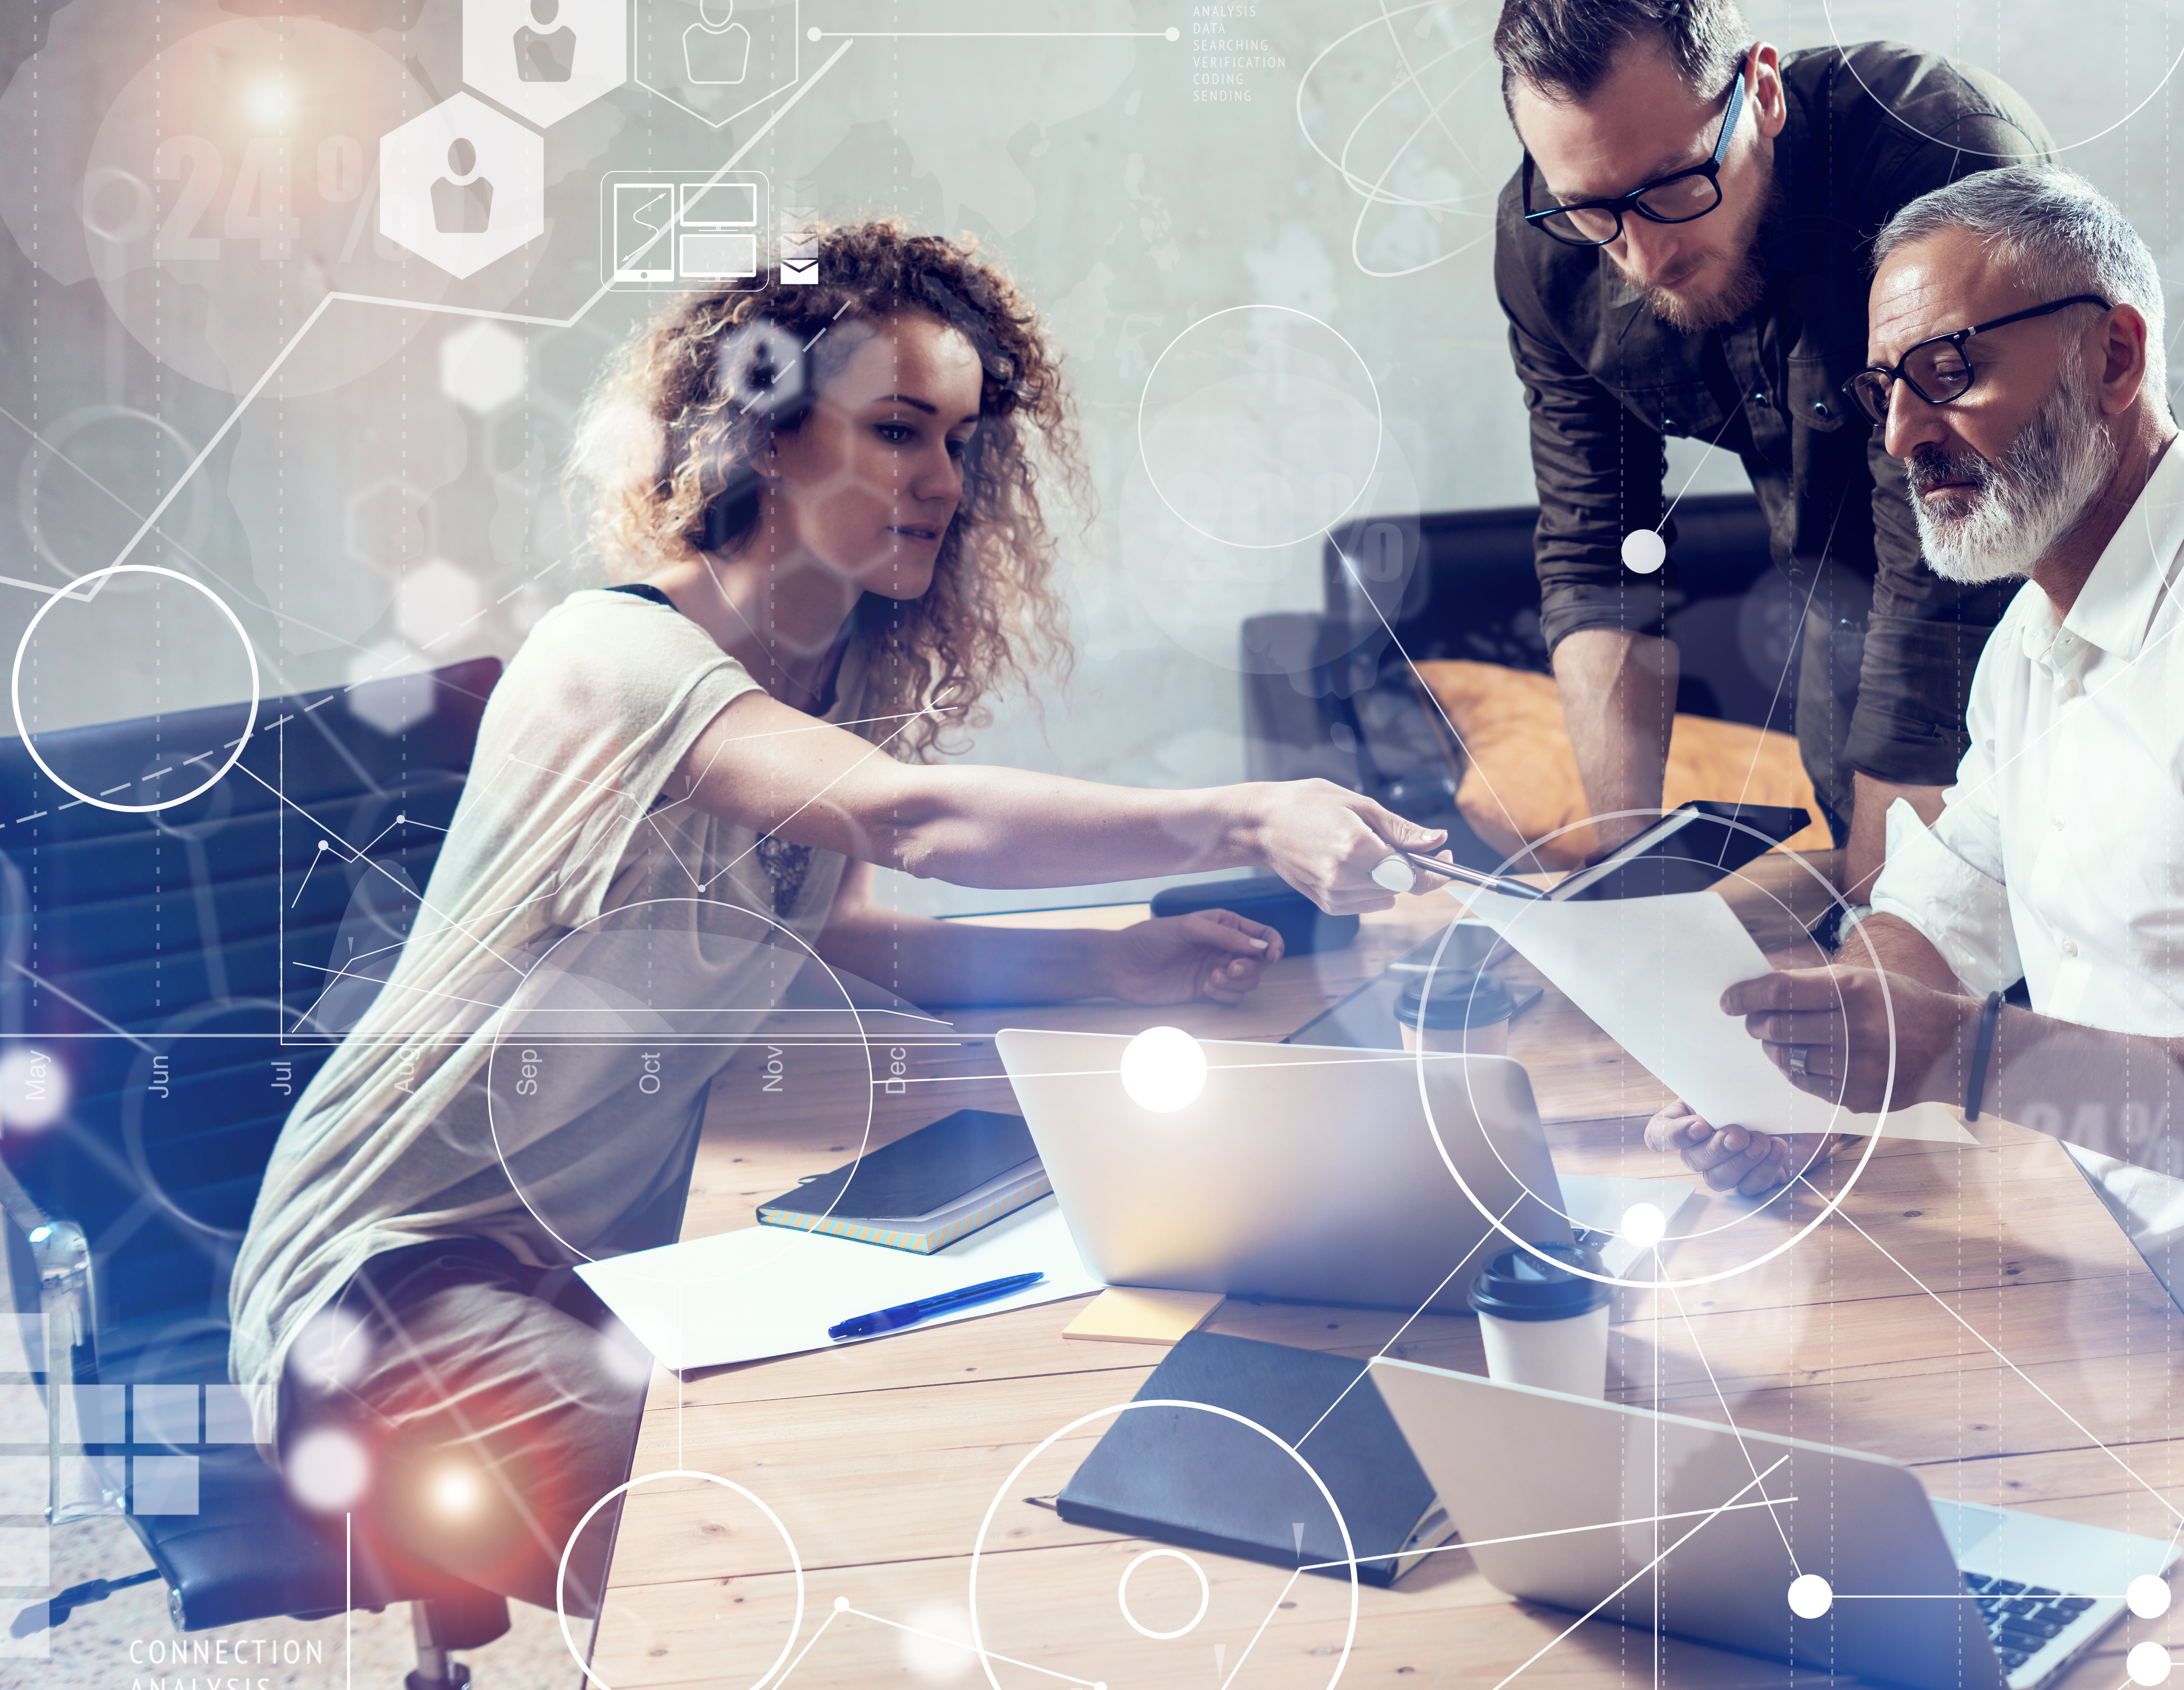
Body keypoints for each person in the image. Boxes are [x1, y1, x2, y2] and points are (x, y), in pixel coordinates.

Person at [230, 220, 1453, 1613]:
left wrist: (1105, 955)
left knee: (905, 1441)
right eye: (897, 432)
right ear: (763, 432)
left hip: (595, 1263)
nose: (944, 482)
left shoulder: (830, 674)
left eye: (963, 444)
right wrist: (1241, 817)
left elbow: (840, 926)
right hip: (383, 1284)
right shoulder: (615, 658)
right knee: (763, 1552)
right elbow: (911, 820)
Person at [1649, 166, 2184, 1473]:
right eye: (1888, 389)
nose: (1902, 437)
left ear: (2113, 355)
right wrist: (1812, 1070)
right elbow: (1949, 907)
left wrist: (1967, 1059)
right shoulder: (2037, 634)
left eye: (1948, 371)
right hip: (2120, 1308)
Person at [1491, 0, 2054, 899]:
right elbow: (1599, 550)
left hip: (2039, 640)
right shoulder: (1549, 247)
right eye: (1592, 209)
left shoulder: (1937, 157)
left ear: (1760, 89)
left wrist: (1889, 925)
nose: (1640, 254)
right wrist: (1630, 883)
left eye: (1671, 185)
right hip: (1843, 639)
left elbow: (1939, 565)